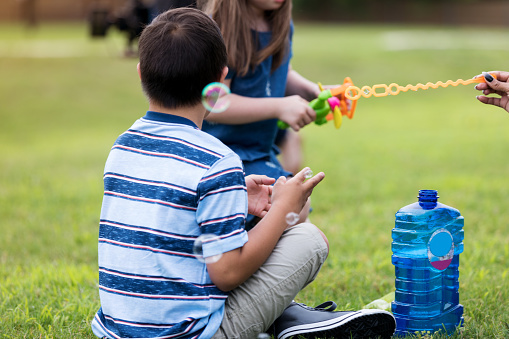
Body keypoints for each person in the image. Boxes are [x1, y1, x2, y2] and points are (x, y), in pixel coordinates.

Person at [90, 7, 396, 339]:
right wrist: (283, 210)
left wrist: (236, 194)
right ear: (221, 80)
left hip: (116, 331)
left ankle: (288, 317)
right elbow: (227, 273)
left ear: (139, 72)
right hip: (192, 334)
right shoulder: (216, 160)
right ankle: (286, 320)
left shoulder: (123, 147)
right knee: (309, 239)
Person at [200, 0, 334, 229]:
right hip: (223, 156)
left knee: (296, 203)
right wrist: (279, 107)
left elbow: (283, 71)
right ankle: (241, 261)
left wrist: (315, 91)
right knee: (292, 206)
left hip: (259, 151)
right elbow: (213, 103)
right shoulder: (219, 29)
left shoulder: (279, 24)